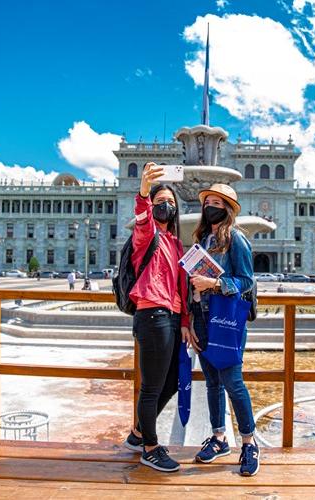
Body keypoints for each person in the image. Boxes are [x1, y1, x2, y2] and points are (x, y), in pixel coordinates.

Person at [122, 163, 197, 473]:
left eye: (171, 203)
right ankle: (150, 448)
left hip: (170, 318)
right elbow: (141, 218)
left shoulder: (177, 243)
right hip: (152, 315)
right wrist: (143, 193)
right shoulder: (147, 235)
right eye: (160, 202)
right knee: (152, 386)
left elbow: (180, 287)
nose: (166, 206)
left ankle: (138, 434)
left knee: (171, 382)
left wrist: (183, 321)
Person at [188, 183, 260, 477]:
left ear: (227, 208)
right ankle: (219, 439)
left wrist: (215, 284)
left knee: (233, 381)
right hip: (203, 318)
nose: (210, 206)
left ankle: (249, 442)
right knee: (212, 383)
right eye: (207, 202)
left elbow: (247, 281)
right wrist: (191, 319)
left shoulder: (236, 239)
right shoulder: (203, 239)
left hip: (226, 320)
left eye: (216, 202)